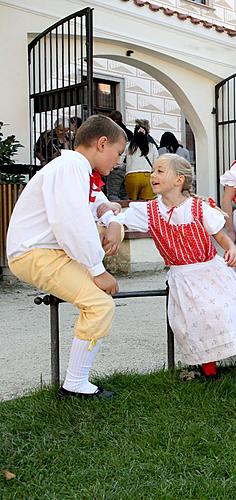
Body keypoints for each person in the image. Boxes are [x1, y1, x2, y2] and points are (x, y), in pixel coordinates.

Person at [100, 154, 236, 380]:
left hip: (211, 271)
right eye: (153, 171)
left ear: (179, 180)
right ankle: (209, 370)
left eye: (160, 171)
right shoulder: (148, 211)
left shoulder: (198, 207)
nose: (153, 175)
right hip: (183, 276)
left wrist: (231, 249)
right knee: (196, 322)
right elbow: (119, 217)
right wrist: (110, 211)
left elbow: (221, 237)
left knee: (231, 312)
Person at [7, 115, 126, 399]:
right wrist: (97, 270)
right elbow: (71, 222)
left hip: (42, 251)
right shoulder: (71, 166)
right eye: (118, 153)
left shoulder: (75, 167)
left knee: (99, 304)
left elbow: (97, 202)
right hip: (35, 253)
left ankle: (76, 383)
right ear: (101, 143)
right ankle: (75, 385)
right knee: (99, 305)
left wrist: (112, 221)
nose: (119, 161)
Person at [123, 119, 159, 200]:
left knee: (132, 203)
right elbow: (156, 162)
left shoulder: (128, 146)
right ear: (147, 133)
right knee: (147, 204)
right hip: (147, 176)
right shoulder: (152, 146)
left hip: (131, 176)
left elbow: (119, 160)